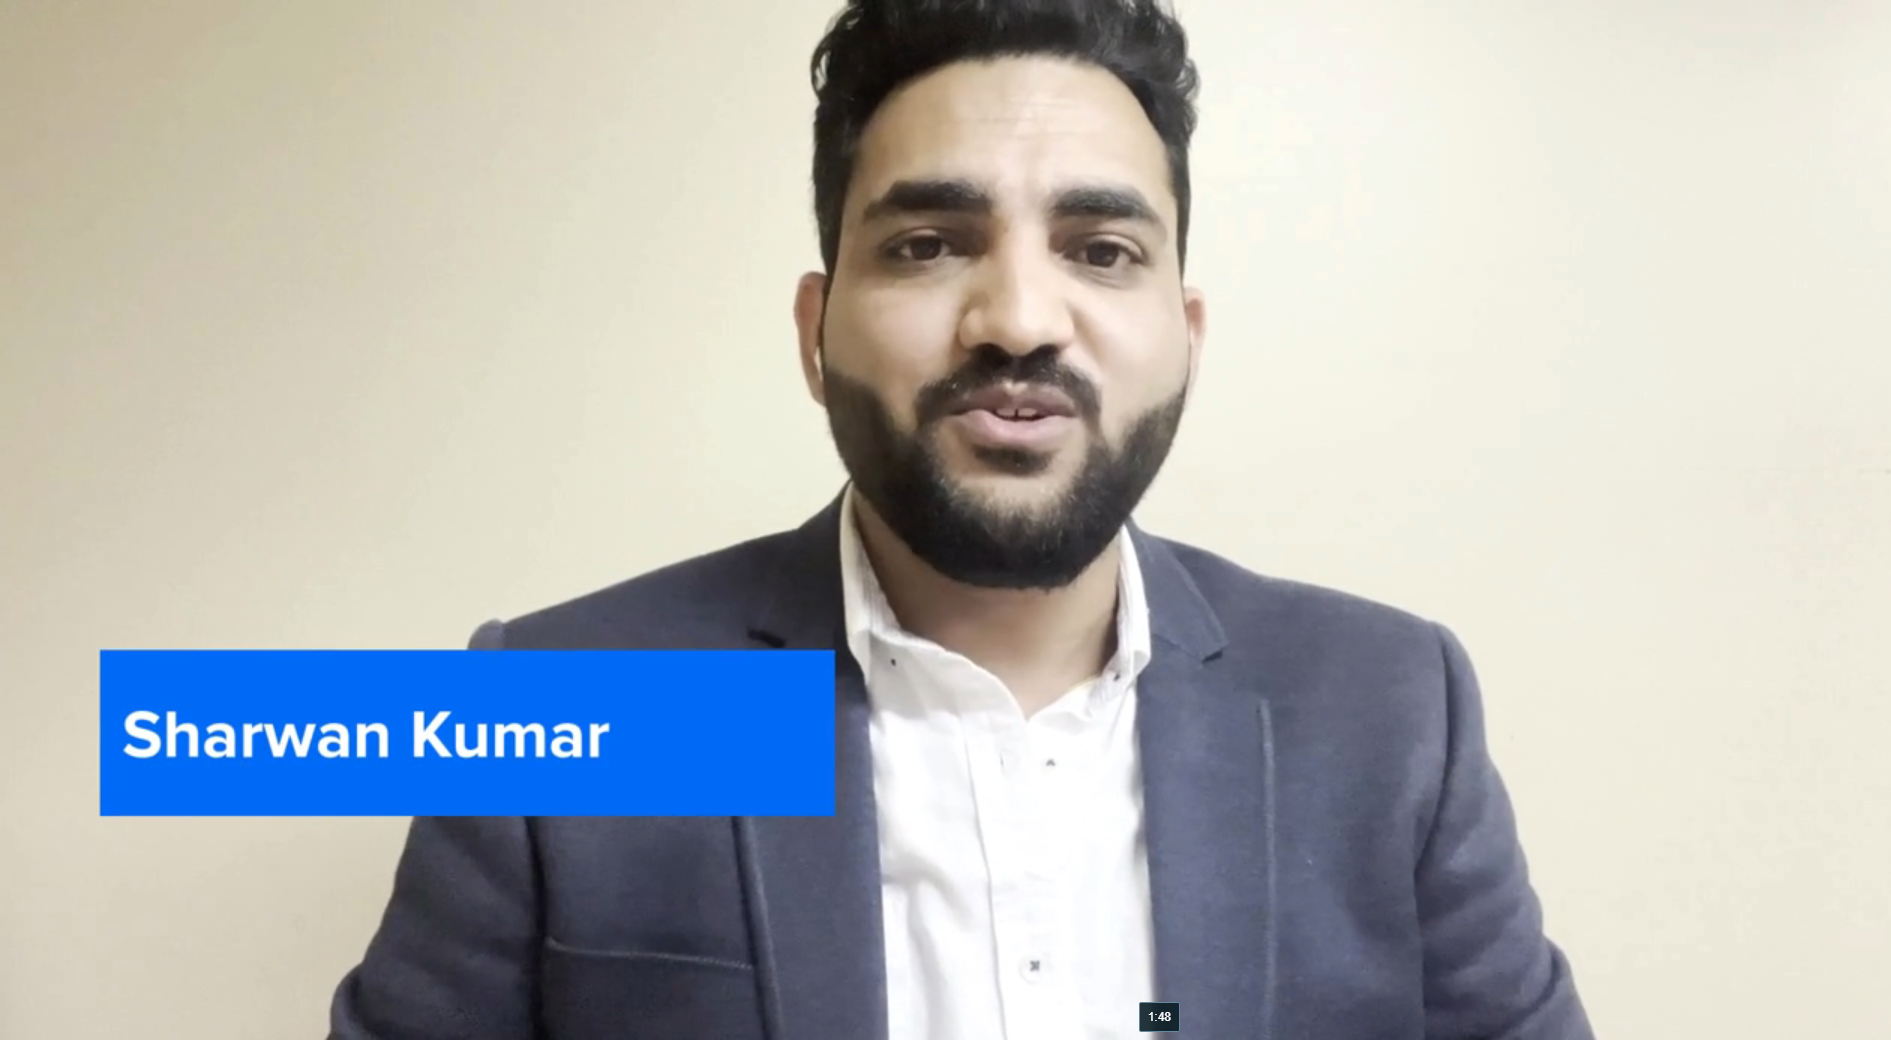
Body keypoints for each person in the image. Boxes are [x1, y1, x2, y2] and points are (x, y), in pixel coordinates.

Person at [328, 1, 1595, 1038]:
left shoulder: (1388, 708)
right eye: (931, 243)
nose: (1019, 319)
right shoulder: (561, 701)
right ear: (815, 334)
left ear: (1186, 336)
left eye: (1101, 249)